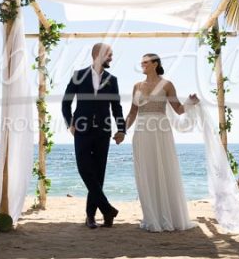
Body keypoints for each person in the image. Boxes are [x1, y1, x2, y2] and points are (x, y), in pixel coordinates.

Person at [125, 53, 197, 232]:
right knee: (146, 172)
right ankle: (151, 217)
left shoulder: (167, 85)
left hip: (160, 130)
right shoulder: (136, 86)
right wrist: (122, 130)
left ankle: (169, 216)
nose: (142, 64)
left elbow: (179, 110)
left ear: (155, 64)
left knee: (163, 169)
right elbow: (133, 112)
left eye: (146, 62)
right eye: (141, 62)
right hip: (141, 130)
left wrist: (190, 102)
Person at [62, 43, 126, 229]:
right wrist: (70, 124)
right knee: (84, 169)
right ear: (97, 54)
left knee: (98, 174)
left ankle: (92, 216)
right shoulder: (78, 76)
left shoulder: (112, 80)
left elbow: (116, 107)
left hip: (103, 132)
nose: (111, 58)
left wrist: (121, 129)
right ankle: (107, 209)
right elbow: (66, 103)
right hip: (81, 131)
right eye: (109, 54)